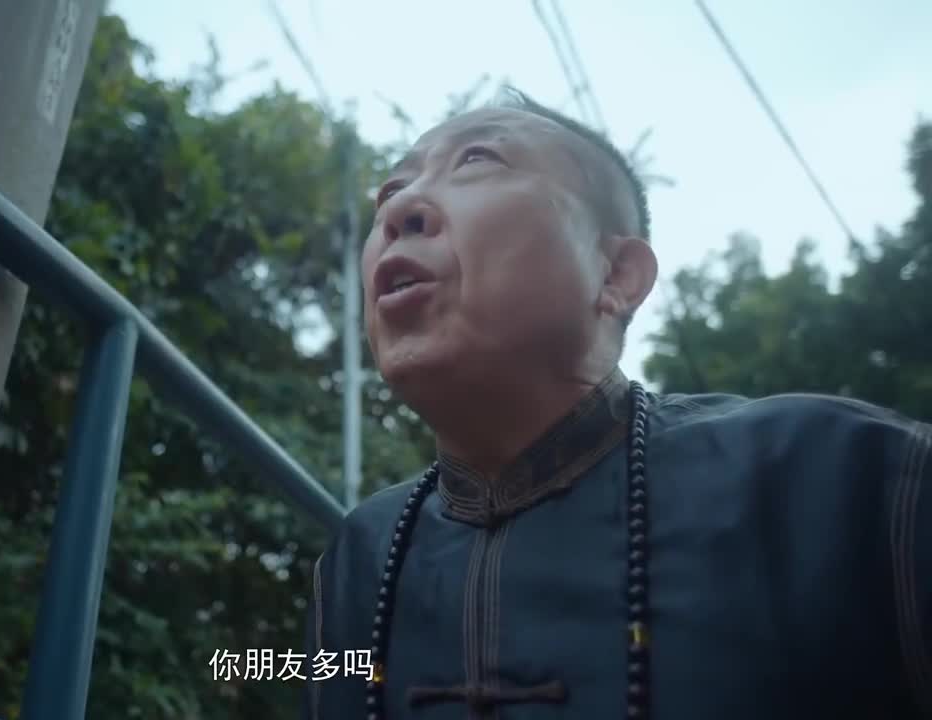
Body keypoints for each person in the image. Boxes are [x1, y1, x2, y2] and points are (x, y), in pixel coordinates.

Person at [301, 89, 932, 720]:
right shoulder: (361, 558)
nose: (399, 208)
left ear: (616, 275)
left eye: (476, 160)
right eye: (391, 190)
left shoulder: (845, 479)